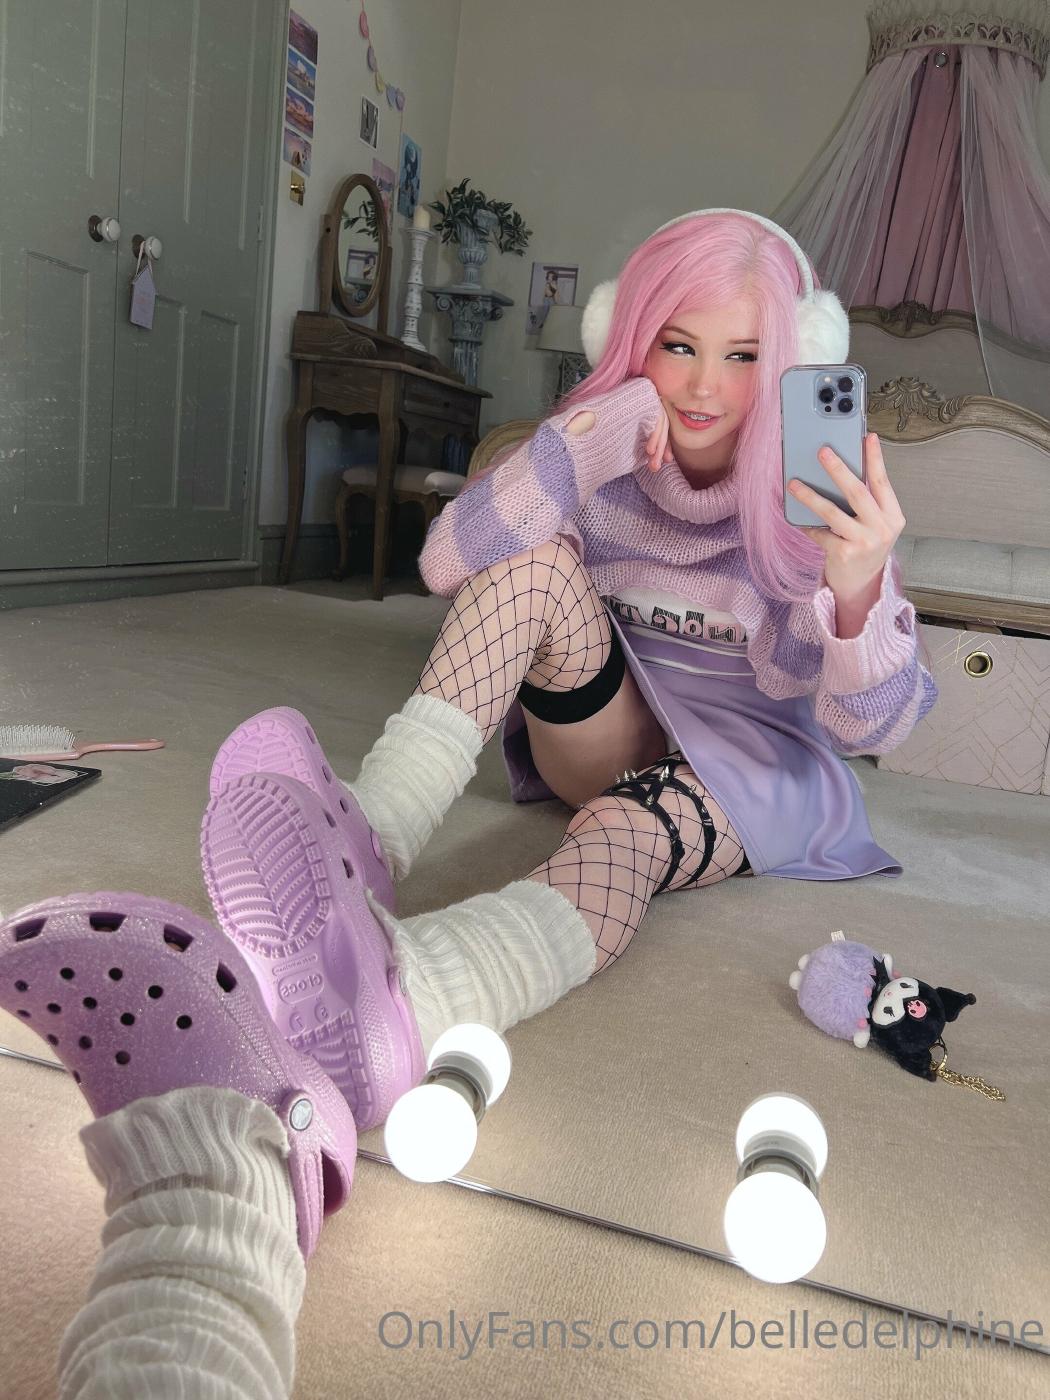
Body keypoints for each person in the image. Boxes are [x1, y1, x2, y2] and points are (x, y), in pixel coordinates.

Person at [0, 209, 935, 1396]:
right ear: (631, 338)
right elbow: (450, 561)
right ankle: (369, 832)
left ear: (797, 361)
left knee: (623, 834)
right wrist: (576, 449)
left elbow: (871, 726)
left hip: (742, 768)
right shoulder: (608, 454)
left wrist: (854, 591)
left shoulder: (813, 496)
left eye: (745, 355)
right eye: (677, 345)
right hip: (616, 719)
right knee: (527, 563)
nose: (705, 386)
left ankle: (410, 994)